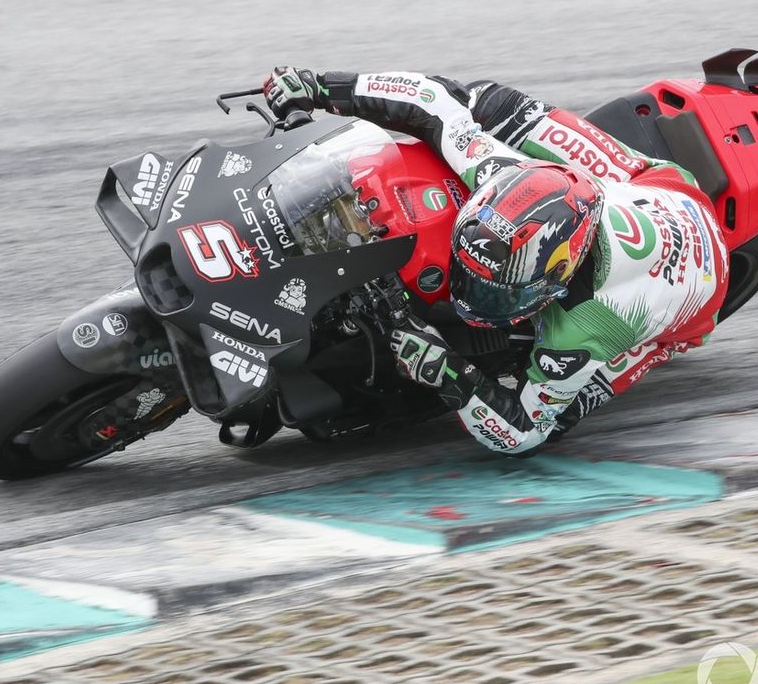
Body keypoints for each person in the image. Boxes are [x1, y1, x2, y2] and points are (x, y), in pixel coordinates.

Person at [264, 67, 729, 456]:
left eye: (493, 290)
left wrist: (448, 369)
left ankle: (668, 340)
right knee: (488, 103)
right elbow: (432, 99)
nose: (467, 297)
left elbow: (520, 432)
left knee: (558, 417)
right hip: (654, 187)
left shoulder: (589, 326)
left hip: (699, 284)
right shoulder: (497, 170)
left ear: (555, 286)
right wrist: (324, 87)